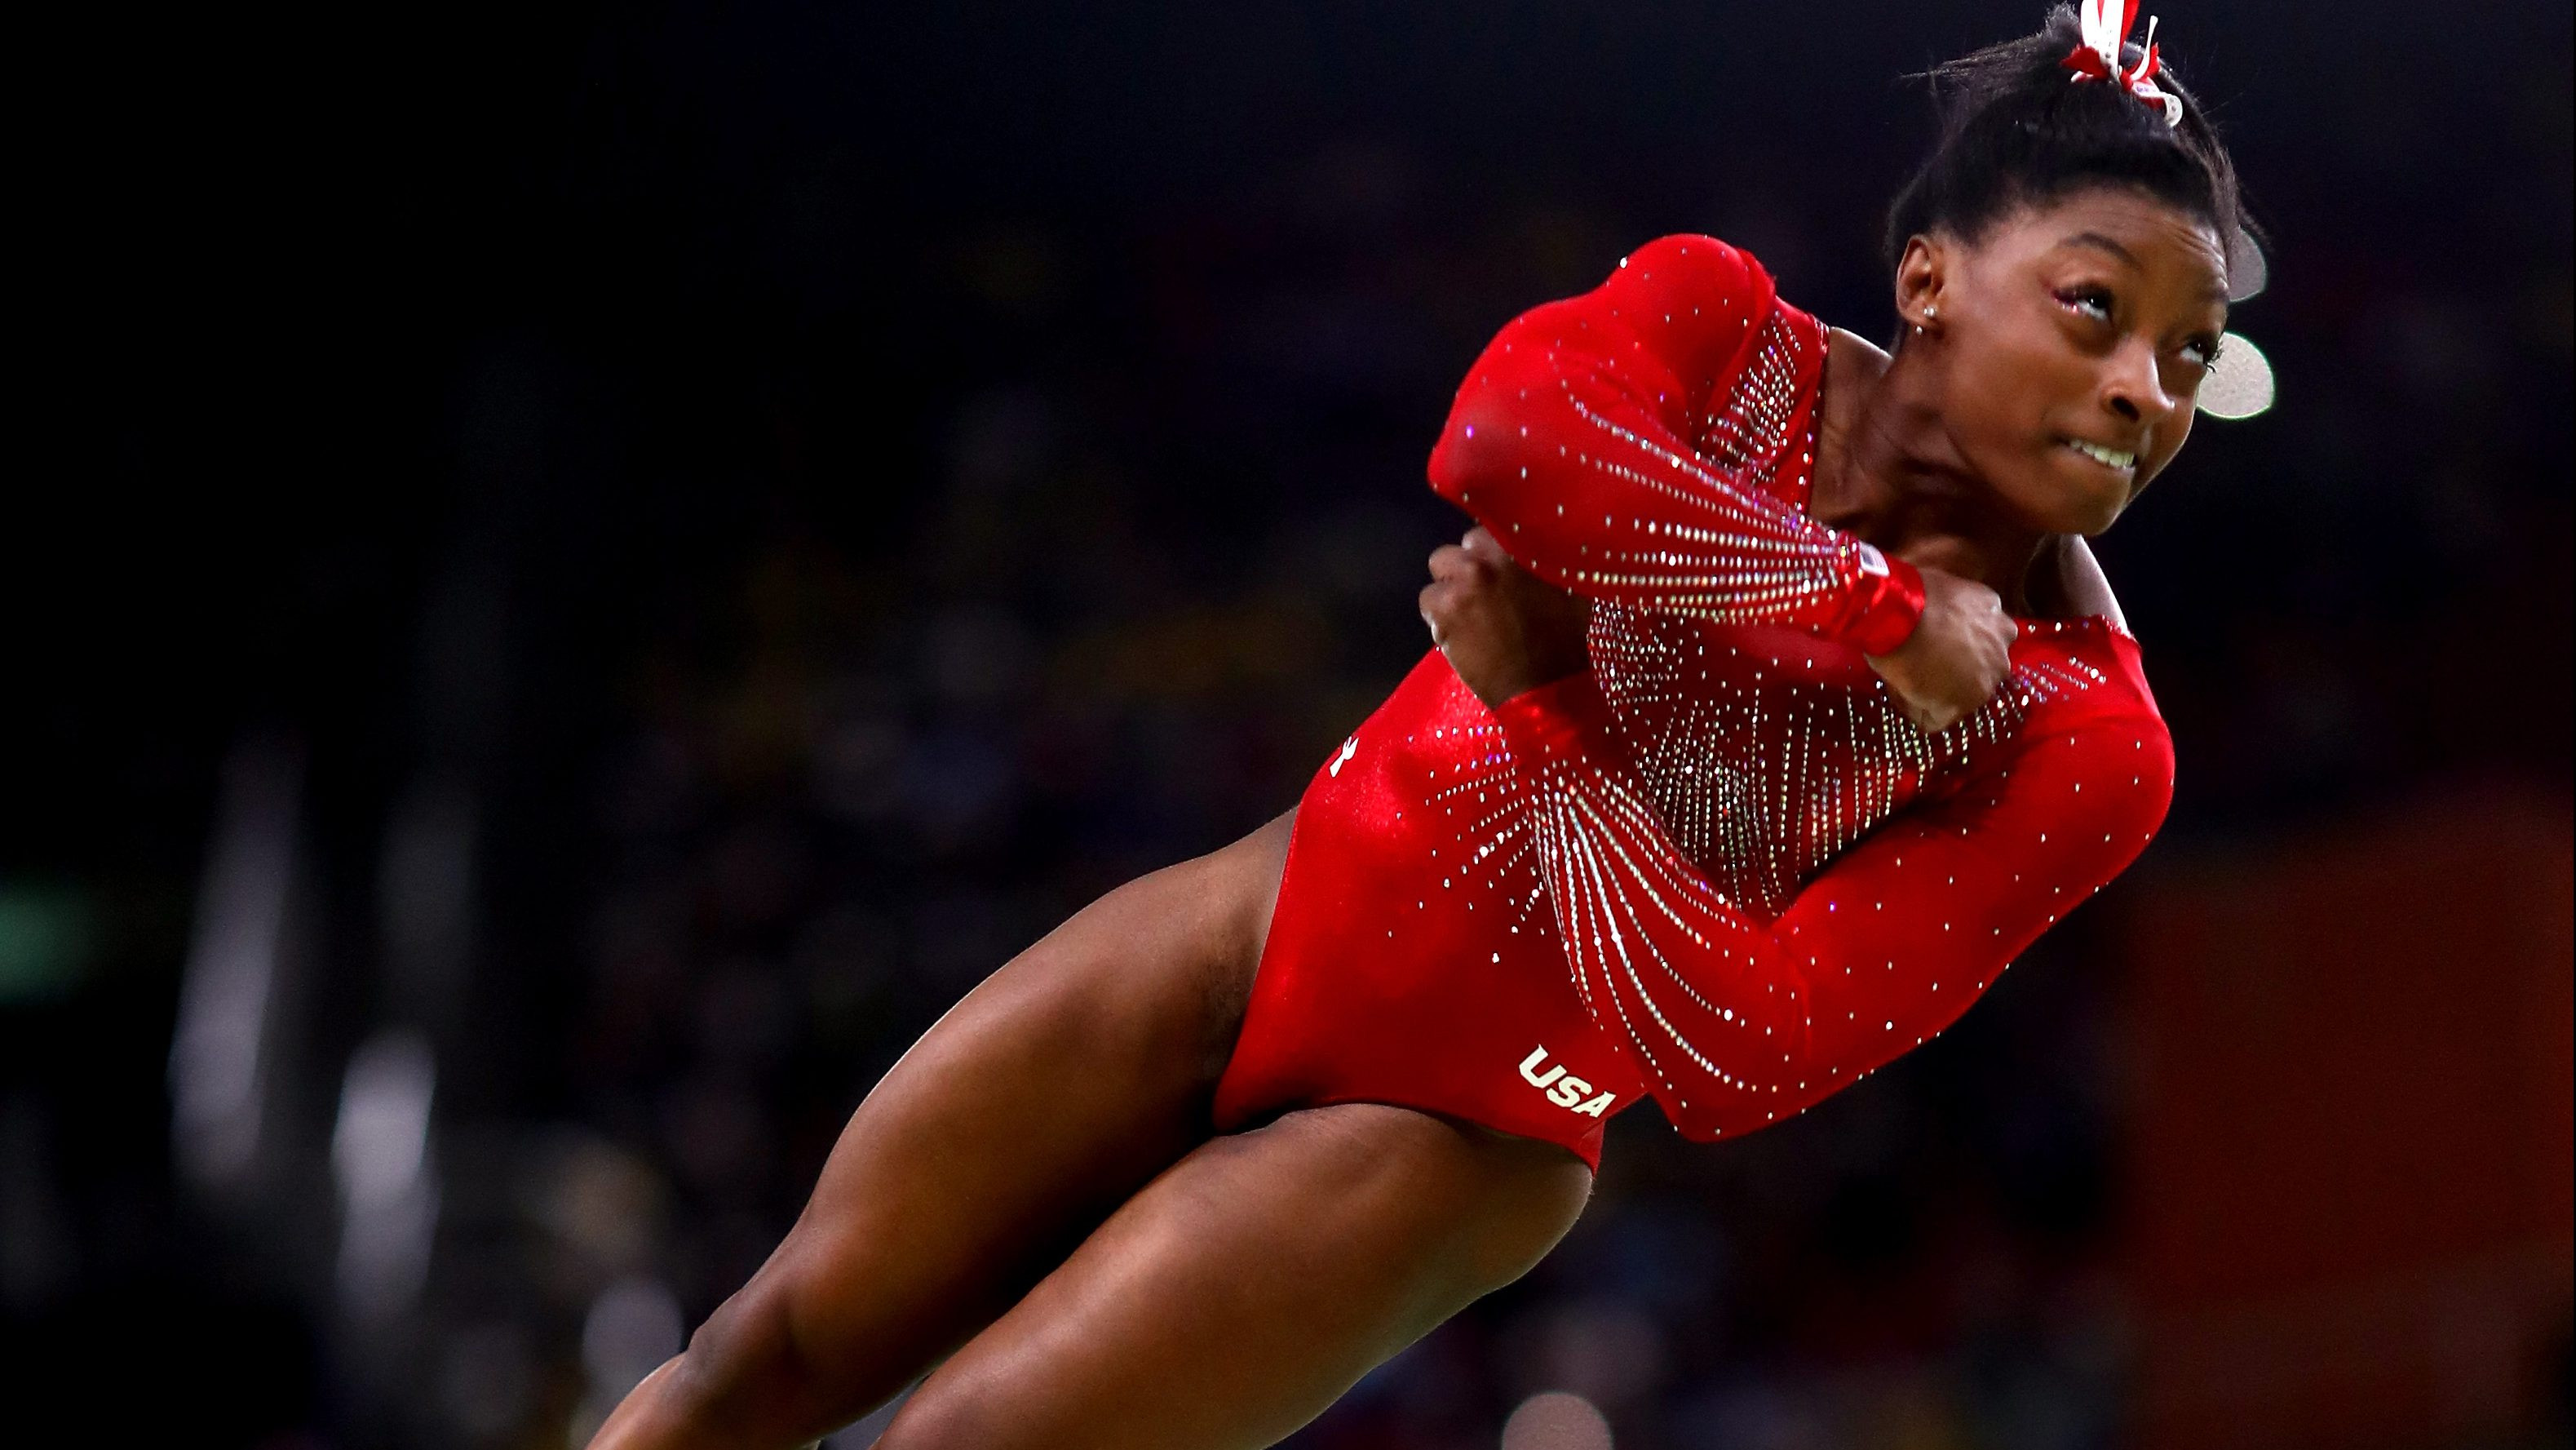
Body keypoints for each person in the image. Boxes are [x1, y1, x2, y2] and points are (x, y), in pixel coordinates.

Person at [591, 3, 2246, 1445]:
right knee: (764, 1347)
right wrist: (1866, 611)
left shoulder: (2079, 735)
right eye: (2095, 309)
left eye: (2189, 355)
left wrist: (1547, 709)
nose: (2142, 392)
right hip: (1263, 913)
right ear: (1930, 278)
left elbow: (1747, 1050)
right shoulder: (1716, 321)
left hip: (1457, 1129)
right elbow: (1507, 448)